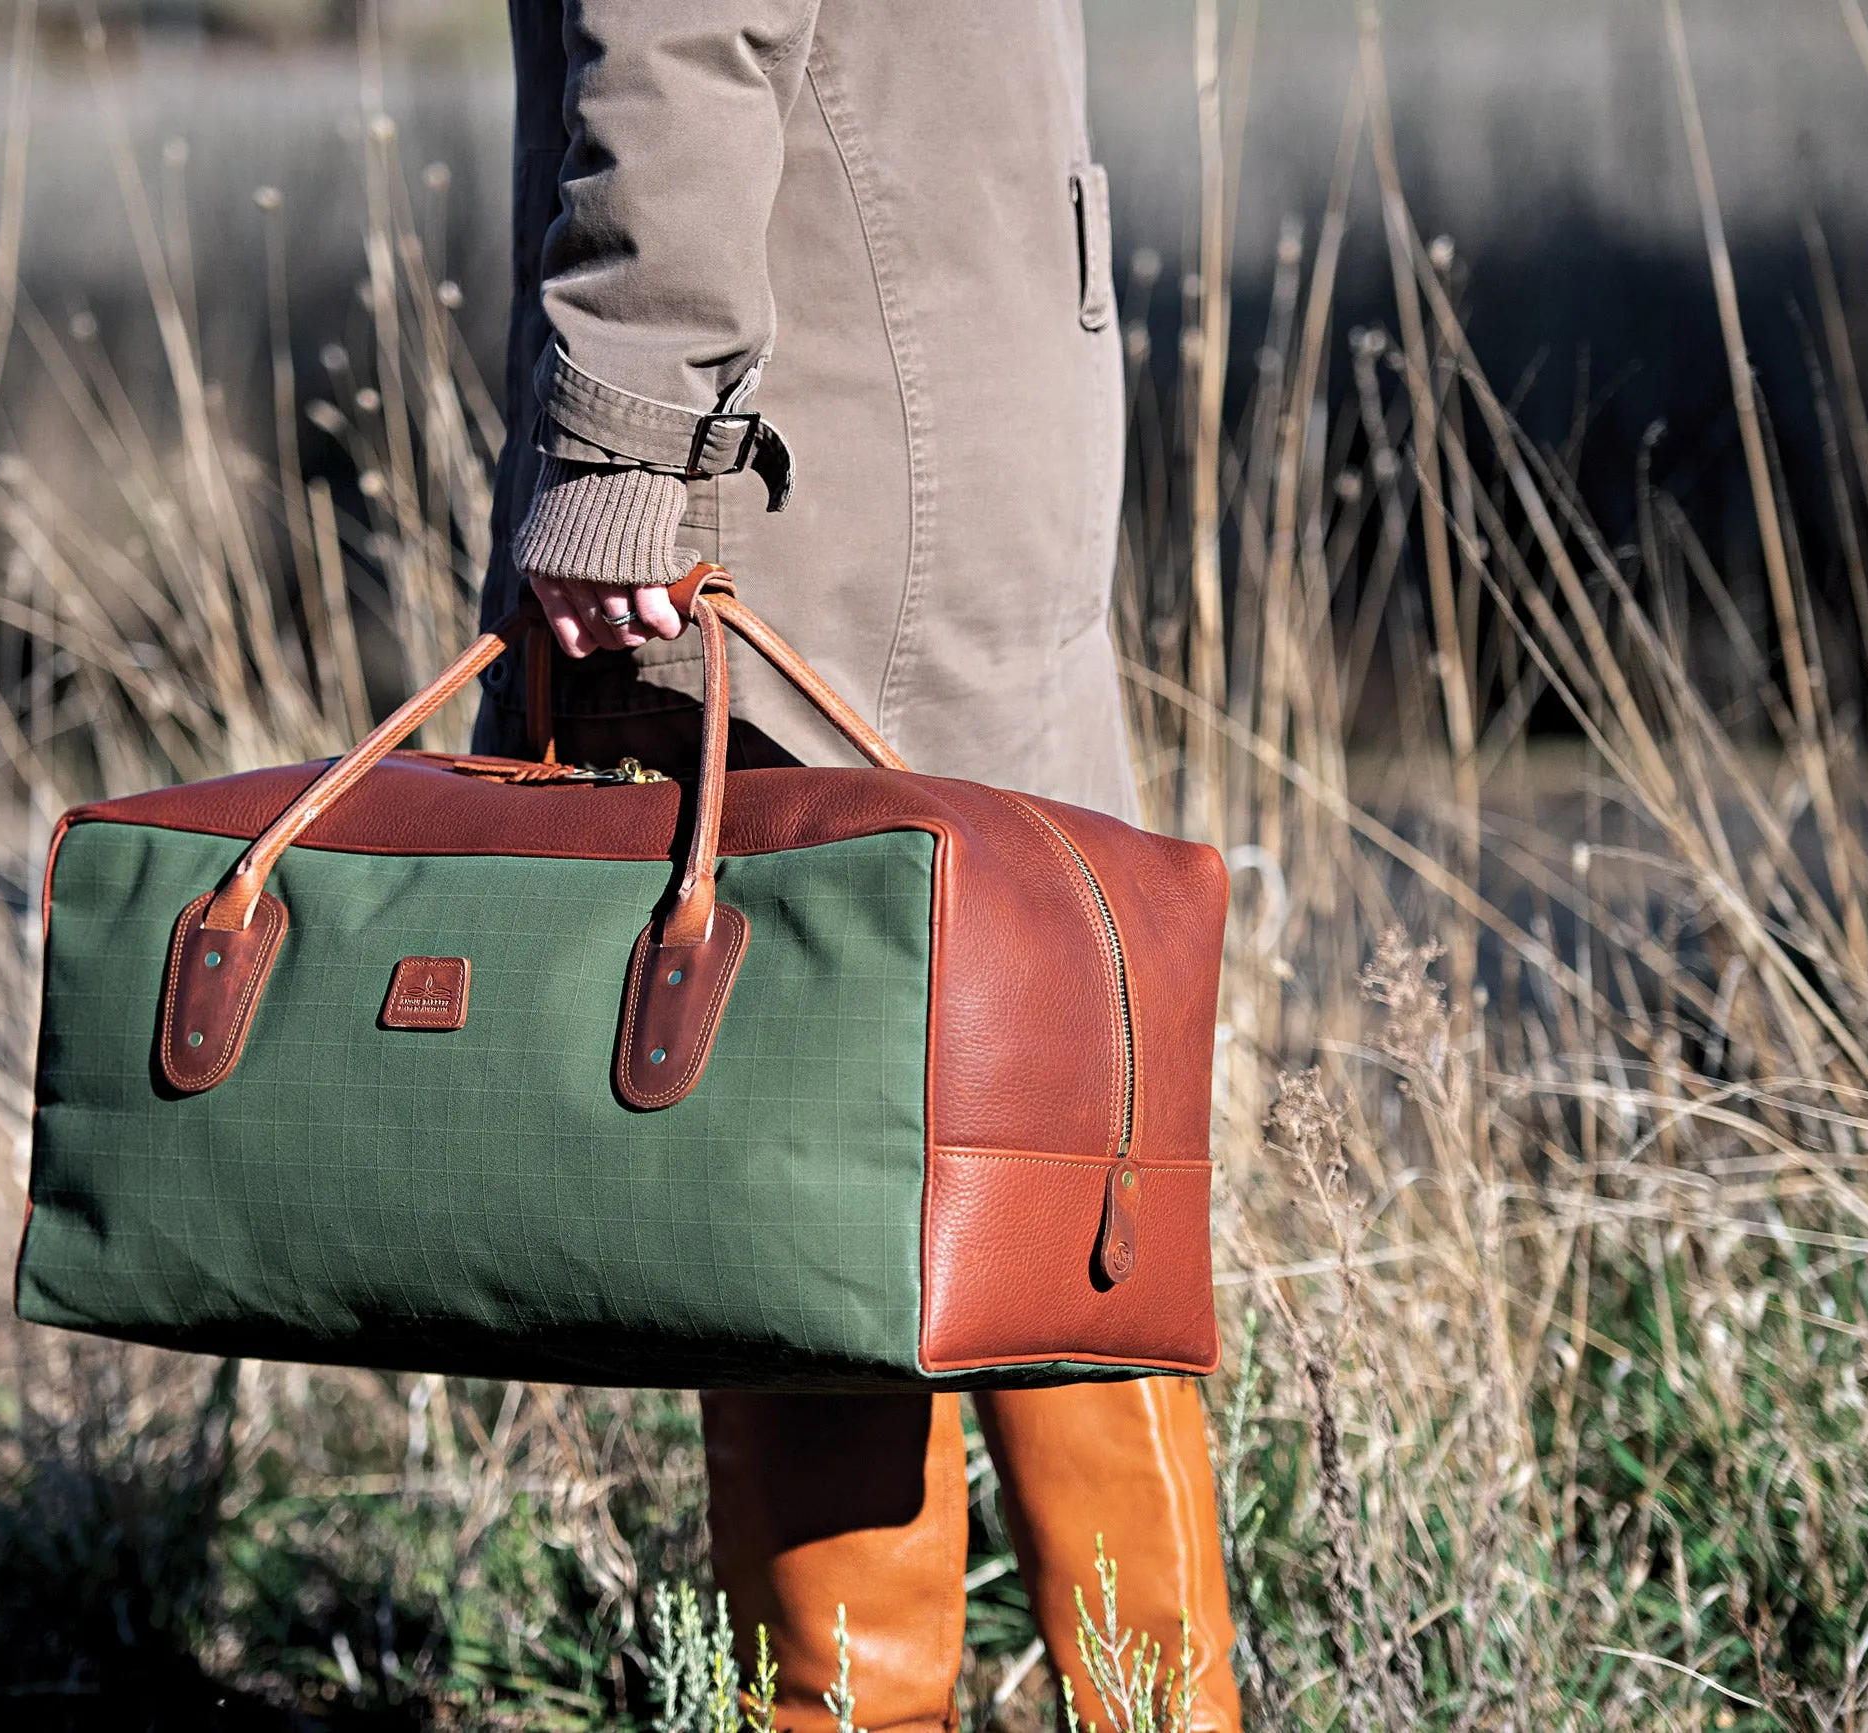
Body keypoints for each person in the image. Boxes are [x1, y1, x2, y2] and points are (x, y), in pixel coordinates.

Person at [470, 7, 1243, 1730]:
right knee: (1051, 1131)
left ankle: (852, 1713)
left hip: (796, 451)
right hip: (973, 391)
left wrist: (615, 443)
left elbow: (681, 27)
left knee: (799, 1151)